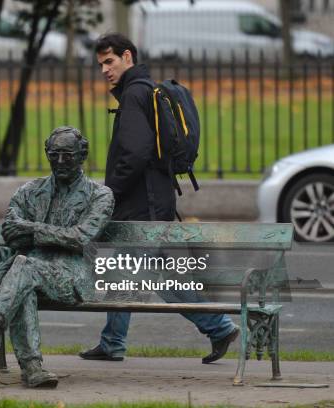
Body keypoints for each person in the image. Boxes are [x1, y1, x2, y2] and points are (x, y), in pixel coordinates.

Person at [79, 33, 239, 364]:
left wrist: (110, 192)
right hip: (151, 201)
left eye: (110, 61)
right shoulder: (142, 91)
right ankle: (112, 342)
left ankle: (219, 326)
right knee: (125, 270)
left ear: (127, 56)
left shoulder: (136, 94)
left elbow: (135, 152)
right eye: (100, 65)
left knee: (156, 277)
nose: (105, 70)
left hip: (144, 206)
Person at [0, 126, 114, 388]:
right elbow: (11, 231)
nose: (59, 161)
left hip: (72, 278)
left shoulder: (100, 195)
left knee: (24, 268)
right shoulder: (29, 191)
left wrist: (32, 229)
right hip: (24, 276)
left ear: (82, 155)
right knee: (24, 280)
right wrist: (41, 234)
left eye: (67, 155)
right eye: (54, 154)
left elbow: (80, 238)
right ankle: (33, 370)